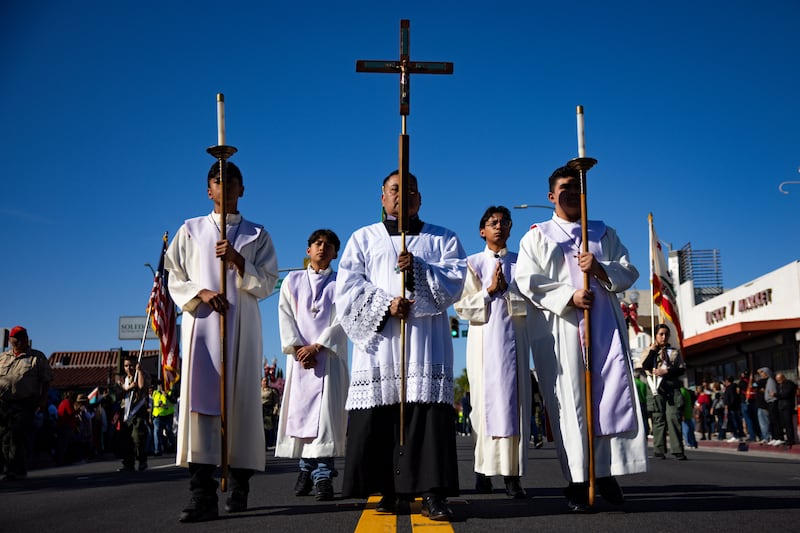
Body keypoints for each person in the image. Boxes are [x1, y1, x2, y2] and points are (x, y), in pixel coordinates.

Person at [515, 164, 647, 512]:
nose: (571, 192)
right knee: (570, 402)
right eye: (564, 187)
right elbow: (527, 280)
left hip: (603, 327)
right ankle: (577, 479)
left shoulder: (603, 233)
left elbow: (628, 269)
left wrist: (600, 270)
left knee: (606, 398)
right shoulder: (537, 235)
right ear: (551, 196)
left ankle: (604, 472)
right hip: (562, 329)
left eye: (576, 187)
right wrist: (569, 296)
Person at [335, 170, 466, 521]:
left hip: (425, 342)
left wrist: (420, 269)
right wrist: (386, 304)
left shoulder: (443, 238)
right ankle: (388, 490)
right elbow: (346, 290)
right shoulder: (363, 238)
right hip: (381, 343)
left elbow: (455, 281)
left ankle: (434, 494)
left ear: (419, 199)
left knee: (427, 418)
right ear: (382, 197)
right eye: (394, 190)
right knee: (382, 416)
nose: (401, 197)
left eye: (410, 191)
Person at [165, 160, 279, 522]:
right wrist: (200, 290)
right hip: (202, 327)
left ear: (241, 189)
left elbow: (268, 282)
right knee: (202, 407)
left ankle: (240, 482)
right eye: (217, 180)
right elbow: (174, 278)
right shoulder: (191, 230)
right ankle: (201, 494)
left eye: (231, 181)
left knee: (242, 404)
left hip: (242, 328)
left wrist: (238, 260)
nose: (224, 186)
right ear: (208, 190)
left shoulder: (257, 233)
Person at [454, 205, 532, 499]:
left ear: (510, 228)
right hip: (483, 340)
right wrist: (488, 291)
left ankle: (513, 475)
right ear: (482, 230)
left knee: (516, 404)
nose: (499, 226)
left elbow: (533, 301)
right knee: (483, 407)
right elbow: (462, 307)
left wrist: (506, 289)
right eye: (493, 222)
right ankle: (482, 471)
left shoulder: (522, 262)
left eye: (504, 222)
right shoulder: (471, 263)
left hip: (515, 339)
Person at [276, 229, 349, 502]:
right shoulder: (292, 280)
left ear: (335, 254)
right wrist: (298, 348)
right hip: (299, 362)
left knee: (326, 422)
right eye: (318, 243)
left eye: (329, 246)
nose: (322, 248)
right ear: (308, 250)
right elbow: (284, 315)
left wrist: (317, 346)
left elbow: (345, 318)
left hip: (327, 358)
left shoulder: (342, 283)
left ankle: (321, 476)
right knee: (302, 419)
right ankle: (306, 469)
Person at [0, 326, 53, 480]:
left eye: (19, 338)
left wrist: (43, 400)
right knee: (4, 436)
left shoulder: (36, 357)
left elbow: (46, 380)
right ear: (10, 340)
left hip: (25, 403)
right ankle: (11, 466)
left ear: (25, 339)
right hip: (3, 403)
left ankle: (16, 470)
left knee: (17, 435)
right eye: (13, 338)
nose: (15, 341)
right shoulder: (3, 358)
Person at [641, 324, 687, 460]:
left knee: (673, 417)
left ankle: (678, 450)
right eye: (661, 334)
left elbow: (681, 369)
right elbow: (646, 366)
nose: (664, 337)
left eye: (666, 334)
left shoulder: (674, 352)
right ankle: (659, 449)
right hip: (656, 387)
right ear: (655, 335)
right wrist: (653, 351)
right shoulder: (648, 350)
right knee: (658, 418)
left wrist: (666, 371)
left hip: (671, 388)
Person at [117, 355, 150, 472]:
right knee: (126, 439)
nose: (128, 368)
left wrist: (139, 371)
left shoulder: (141, 375)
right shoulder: (123, 380)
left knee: (137, 437)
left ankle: (142, 460)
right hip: (125, 412)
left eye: (131, 365)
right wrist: (128, 388)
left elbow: (141, 387)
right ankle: (128, 463)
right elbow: (119, 392)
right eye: (126, 365)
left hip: (137, 412)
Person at [151, 382, 175, 455]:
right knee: (157, 431)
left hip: (168, 416)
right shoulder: (155, 393)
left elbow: (173, 401)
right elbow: (152, 404)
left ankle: (172, 446)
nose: (160, 386)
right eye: (159, 385)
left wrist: (166, 395)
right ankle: (157, 450)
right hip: (157, 416)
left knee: (169, 432)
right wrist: (151, 415)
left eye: (161, 385)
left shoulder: (170, 392)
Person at [774, 373, 797, 448]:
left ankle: (791, 440)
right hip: (781, 406)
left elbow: (786, 394)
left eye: (779, 380)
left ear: (783, 378)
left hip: (787, 406)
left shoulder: (789, 384)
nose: (778, 381)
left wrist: (776, 395)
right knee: (783, 424)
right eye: (777, 380)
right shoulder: (780, 385)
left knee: (788, 423)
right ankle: (786, 439)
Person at [723, 376, 744, 441]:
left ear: (727, 381)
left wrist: (728, 406)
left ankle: (735, 435)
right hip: (736, 407)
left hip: (731, 407)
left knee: (733, 421)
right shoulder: (735, 387)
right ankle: (740, 434)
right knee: (738, 421)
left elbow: (730, 398)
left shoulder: (730, 388)